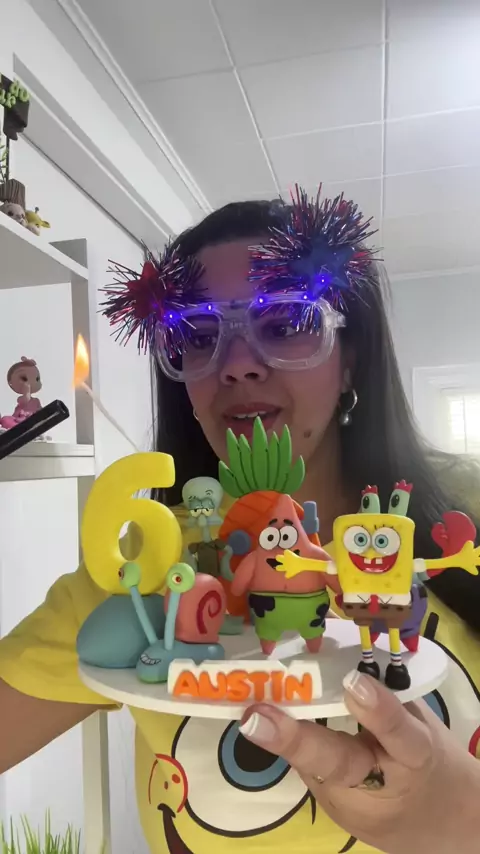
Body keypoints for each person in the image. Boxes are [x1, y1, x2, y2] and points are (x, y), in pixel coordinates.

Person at [0, 190, 479, 854]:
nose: (237, 364)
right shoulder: (144, 567)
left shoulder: (467, 512)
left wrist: (462, 819)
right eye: (198, 336)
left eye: (286, 321)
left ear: (351, 356)